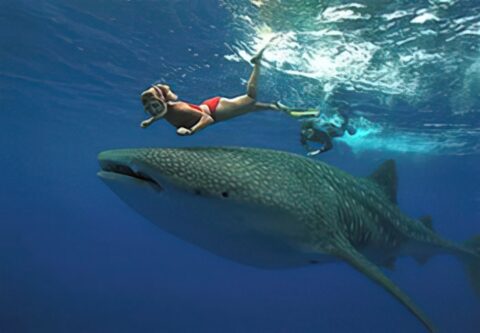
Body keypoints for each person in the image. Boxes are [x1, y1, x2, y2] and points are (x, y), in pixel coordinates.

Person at [139, 42, 298, 136]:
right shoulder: (163, 110)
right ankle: (277, 107)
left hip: (215, 111)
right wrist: (150, 121)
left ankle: (257, 63)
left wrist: (191, 131)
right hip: (211, 106)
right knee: (249, 108)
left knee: (250, 99)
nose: (153, 110)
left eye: (155, 106)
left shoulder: (179, 109)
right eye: (149, 109)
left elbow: (207, 119)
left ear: (163, 102)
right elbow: (161, 114)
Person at [285, 107, 356, 155]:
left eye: (308, 131)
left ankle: (346, 119)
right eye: (305, 132)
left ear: (312, 129)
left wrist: (317, 152)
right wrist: (308, 148)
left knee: (341, 131)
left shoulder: (323, 134)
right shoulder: (303, 134)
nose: (306, 134)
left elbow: (329, 146)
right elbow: (303, 141)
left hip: (332, 131)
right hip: (324, 126)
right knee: (326, 124)